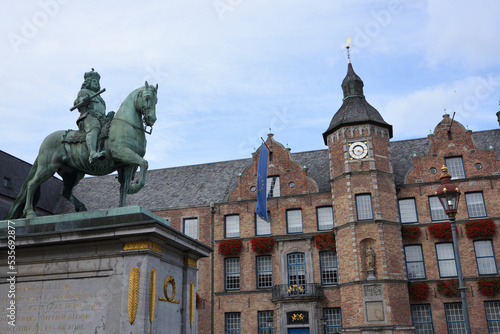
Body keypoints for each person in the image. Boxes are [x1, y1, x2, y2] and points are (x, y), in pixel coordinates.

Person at [74, 69, 106, 163]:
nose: (96, 83)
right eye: (94, 81)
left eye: (97, 82)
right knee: (94, 128)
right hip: (88, 117)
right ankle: (92, 153)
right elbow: (78, 102)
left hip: (101, 119)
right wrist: (84, 100)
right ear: (88, 82)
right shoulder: (84, 91)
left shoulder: (99, 97)